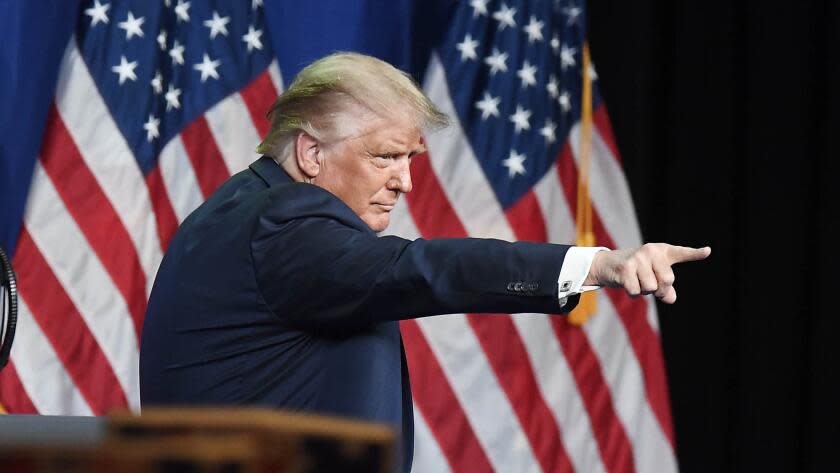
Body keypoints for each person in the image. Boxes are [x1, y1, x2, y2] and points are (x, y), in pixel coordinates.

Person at [139, 52, 709, 472]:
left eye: (409, 158)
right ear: (311, 152)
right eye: (385, 157)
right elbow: (419, 270)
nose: (406, 182)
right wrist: (598, 265)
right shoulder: (284, 223)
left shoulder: (238, 210)